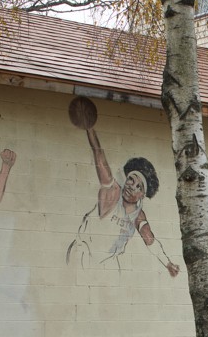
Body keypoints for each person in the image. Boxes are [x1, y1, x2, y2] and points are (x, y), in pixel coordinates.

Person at [68, 98, 179, 276]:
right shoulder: (113, 193)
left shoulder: (138, 215)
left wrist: (168, 263)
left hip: (107, 262)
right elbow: (100, 158)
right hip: (83, 253)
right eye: (130, 180)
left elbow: (149, 240)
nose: (131, 186)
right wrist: (90, 129)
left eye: (138, 186)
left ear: (142, 194)